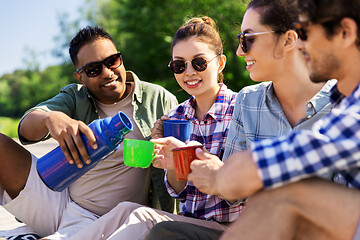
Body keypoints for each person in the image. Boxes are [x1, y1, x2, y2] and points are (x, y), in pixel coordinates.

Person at [147, 0, 336, 239]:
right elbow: (231, 193)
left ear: (288, 39)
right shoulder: (249, 100)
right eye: (178, 65)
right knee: (157, 230)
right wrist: (190, 161)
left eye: (248, 38)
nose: (240, 51)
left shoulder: (342, 104)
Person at [67, 16, 241, 240]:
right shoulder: (175, 116)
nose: (188, 73)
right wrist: (170, 164)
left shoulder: (240, 109)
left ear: (221, 62)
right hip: (192, 223)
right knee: (126, 210)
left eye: (199, 62)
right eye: (179, 65)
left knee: (150, 223)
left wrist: (192, 159)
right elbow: (181, 193)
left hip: (233, 228)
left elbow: (241, 190)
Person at [0, 26, 178, 239]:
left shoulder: (159, 99)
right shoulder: (75, 97)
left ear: (120, 58)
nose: (107, 72)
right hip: (58, 200)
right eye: (94, 69)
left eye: (112, 61)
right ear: (80, 77)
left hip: (109, 220)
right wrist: (50, 118)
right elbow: (26, 129)